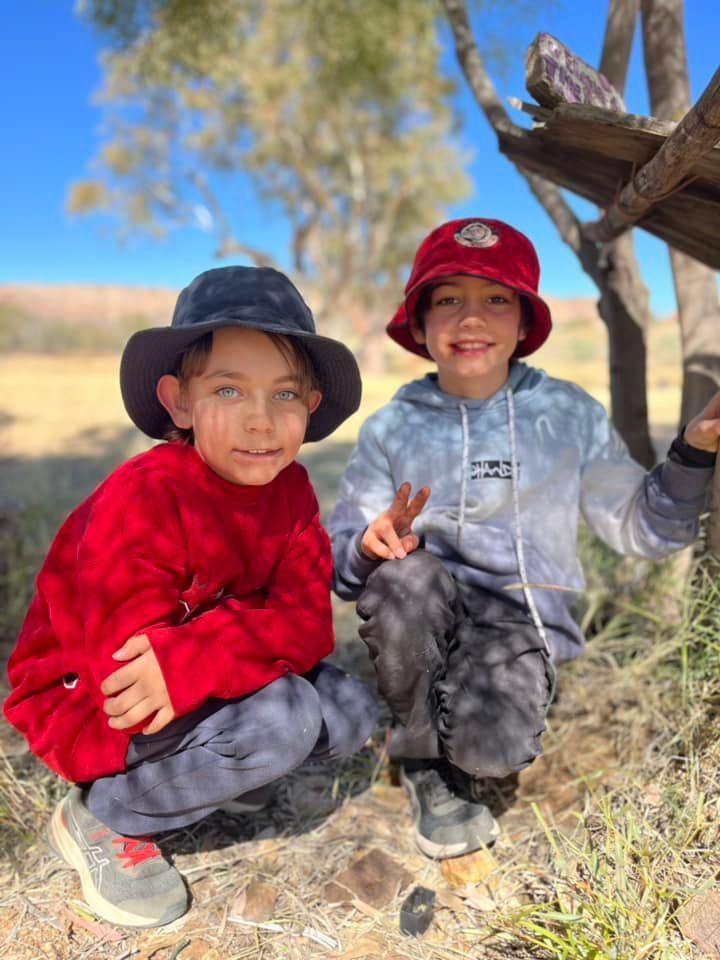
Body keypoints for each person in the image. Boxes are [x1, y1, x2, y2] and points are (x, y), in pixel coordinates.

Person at [328, 217, 719, 860]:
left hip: (520, 619)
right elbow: (344, 555)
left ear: (523, 323)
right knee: (405, 579)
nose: (471, 319)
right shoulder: (392, 427)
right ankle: (420, 750)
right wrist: (367, 547)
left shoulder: (565, 414)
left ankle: (470, 723)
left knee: (493, 755)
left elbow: (639, 526)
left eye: (495, 299)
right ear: (421, 326)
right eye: (447, 299)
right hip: (424, 606)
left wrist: (693, 454)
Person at [4, 266, 377, 928]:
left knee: (347, 707)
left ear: (310, 407)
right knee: (284, 716)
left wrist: (196, 655)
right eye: (228, 388)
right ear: (179, 402)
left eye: (284, 393)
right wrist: (217, 654)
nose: (261, 420)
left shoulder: (290, 494)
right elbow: (125, 680)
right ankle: (105, 816)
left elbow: (311, 623)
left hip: (195, 674)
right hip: (87, 700)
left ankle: (218, 772)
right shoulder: (144, 499)